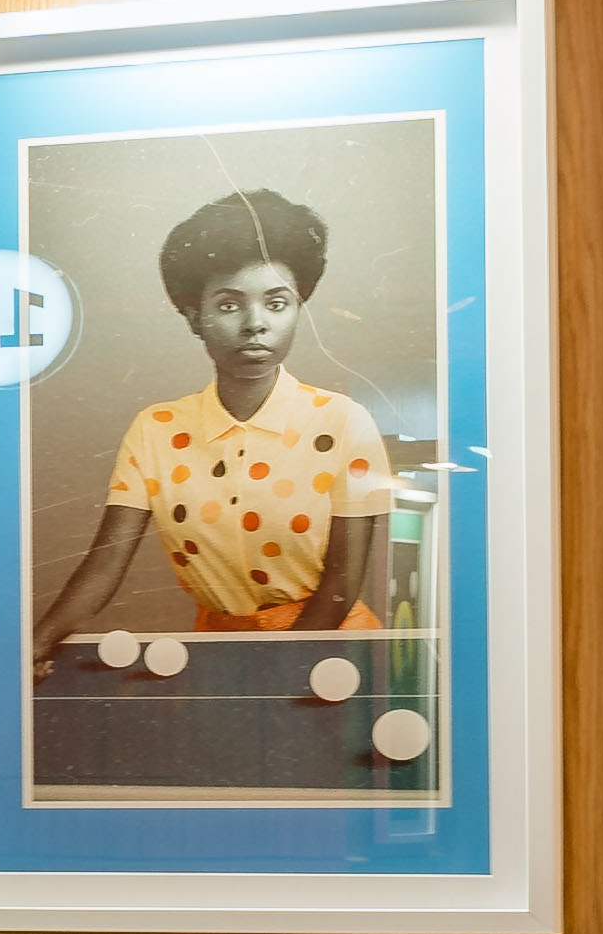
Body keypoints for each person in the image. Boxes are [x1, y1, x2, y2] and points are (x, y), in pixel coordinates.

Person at [34, 183, 400, 673]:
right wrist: (36, 644)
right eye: (229, 305)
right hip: (219, 657)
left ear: (298, 310)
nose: (255, 324)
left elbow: (341, 585)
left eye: (276, 303)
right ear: (194, 318)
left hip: (330, 658)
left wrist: (275, 674)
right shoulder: (155, 430)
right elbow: (104, 569)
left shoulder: (343, 421)